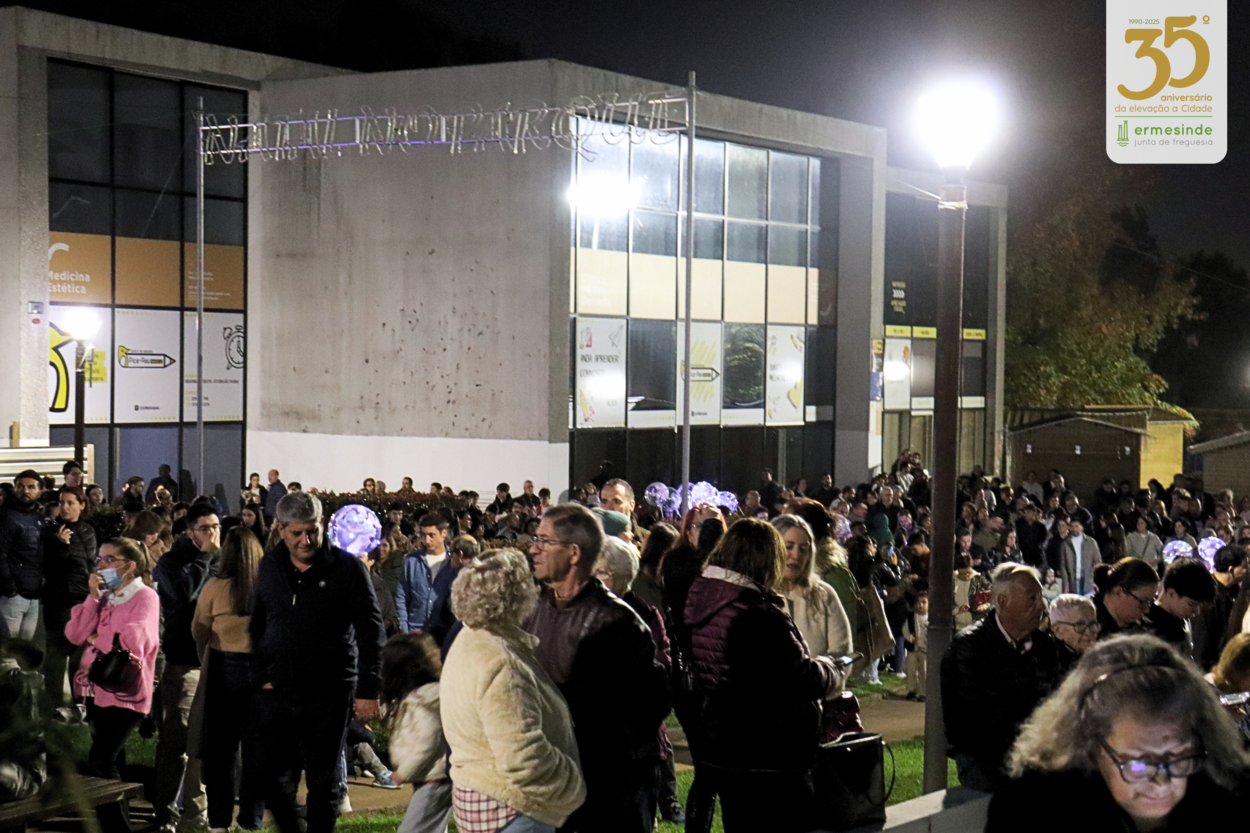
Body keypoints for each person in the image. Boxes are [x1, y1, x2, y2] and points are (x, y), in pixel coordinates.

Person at [988, 635, 1250, 832]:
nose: (1162, 782)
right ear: (1090, 746)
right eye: (1139, 764)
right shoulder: (1030, 810)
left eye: (1178, 758)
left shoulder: (1228, 794)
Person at [684, 518, 841, 832]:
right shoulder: (757, 614)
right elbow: (796, 677)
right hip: (769, 752)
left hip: (726, 746)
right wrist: (830, 669)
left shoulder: (707, 600)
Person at [525, 504, 669, 833]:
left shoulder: (616, 621)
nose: (534, 548)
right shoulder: (535, 609)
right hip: (550, 783)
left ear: (574, 553)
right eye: (535, 539)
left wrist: (603, 744)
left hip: (605, 789)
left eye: (545, 540)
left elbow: (653, 701)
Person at [249, 492, 385, 833]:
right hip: (279, 689)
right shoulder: (270, 566)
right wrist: (260, 673)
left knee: (323, 782)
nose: (305, 540)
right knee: (276, 778)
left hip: (330, 690)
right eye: (296, 533)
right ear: (281, 529)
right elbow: (259, 620)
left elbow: (371, 631)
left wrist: (368, 688)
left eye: (312, 531)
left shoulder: (347, 569)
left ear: (322, 524)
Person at [441, 549, 586, 831]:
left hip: (480, 797)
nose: (537, 591)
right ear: (516, 597)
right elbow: (522, 756)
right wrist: (572, 781)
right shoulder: (501, 662)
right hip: (513, 808)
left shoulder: (469, 640)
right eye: (530, 584)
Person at [941, 563, 1065, 792]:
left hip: (1036, 758)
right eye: (1032, 598)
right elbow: (970, 724)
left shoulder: (1045, 645)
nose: (1042, 606)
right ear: (1003, 601)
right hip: (987, 764)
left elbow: (1057, 703)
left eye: (1041, 597)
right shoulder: (969, 647)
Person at [591, 537, 683, 825]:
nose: (594, 580)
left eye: (602, 572)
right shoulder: (584, 612)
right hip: (593, 744)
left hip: (635, 747)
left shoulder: (644, 615)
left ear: (622, 576)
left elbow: (660, 672)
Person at [152, 502, 221, 833]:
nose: (212, 534)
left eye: (216, 527)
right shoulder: (170, 562)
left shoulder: (222, 560)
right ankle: (165, 812)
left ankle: (196, 813)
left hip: (216, 660)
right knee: (176, 740)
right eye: (205, 528)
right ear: (190, 531)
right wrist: (205, 557)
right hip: (183, 661)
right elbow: (184, 595)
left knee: (202, 742)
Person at [66, 538, 160, 779]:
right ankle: (121, 803)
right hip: (97, 687)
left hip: (125, 689)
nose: (101, 566)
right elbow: (75, 634)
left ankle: (110, 805)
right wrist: (93, 597)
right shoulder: (105, 597)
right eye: (99, 559)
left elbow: (132, 642)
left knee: (101, 761)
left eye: (109, 559)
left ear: (130, 565)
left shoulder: (145, 597)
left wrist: (95, 638)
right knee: (113, 760)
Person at [191, 527, 264, 832]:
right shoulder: (268, 587)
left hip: (223, 669)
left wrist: (206, 657)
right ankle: (251, 819)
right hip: (260, 673)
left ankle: (219, 822)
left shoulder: (214, 587)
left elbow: (199, 630)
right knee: (257, 751)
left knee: (220, 752)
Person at [380, 633, 451, 833]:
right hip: (430, 777)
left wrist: (404, 772)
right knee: (433, 827)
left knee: (413, 828)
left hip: (435, 779)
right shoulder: (418, 699)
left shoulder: (423, 703)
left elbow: (428, 742)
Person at [771, 514, 853, 676]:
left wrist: (819, 679)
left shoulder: (824, 595)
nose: (796, 555)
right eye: (788, 546)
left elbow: (845, 656)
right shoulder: (755, 595)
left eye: (803, 549)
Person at [41, 485, 97, 706]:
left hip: (84, 600)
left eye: (70, 503)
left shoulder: (88, 530)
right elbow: (49, 566)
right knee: (56, 655)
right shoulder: (51, 530)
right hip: (60, 600)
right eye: (61, 502)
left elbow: (92, 562)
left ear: (82, 505)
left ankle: (79, 703)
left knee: (80, 656)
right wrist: (62, 545)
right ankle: (54, 705)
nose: (64, 507)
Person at [0, 470, 45, 640]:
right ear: (14, 489)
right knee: (7, 648)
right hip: (13, 596)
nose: (25, 490)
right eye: (20, 486)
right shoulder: (7, 517)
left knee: (25, 648)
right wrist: (11, 590)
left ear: (39, 491)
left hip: (33, 595)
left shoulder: (38, 517)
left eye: (31, 487)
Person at [1147, 557, 1217, 658]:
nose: (1196, 612)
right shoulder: (1148, 627)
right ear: (1171, 593)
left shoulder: (1182, 620)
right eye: (1191, 604)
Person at [397, 513, 449, 634]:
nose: (427, 540)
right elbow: (402, 596)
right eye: (423, 535)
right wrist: (404, 627)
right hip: (415, 630)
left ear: (444, 533)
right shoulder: (411, 561)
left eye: (431, 535)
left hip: (443, 632)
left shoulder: (453, 563)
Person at [1092, 558, 1159, 641]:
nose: (1147, 610)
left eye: (1150, 602)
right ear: (1118, 592)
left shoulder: (1145, 628)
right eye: (1142, 602)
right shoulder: (1090, 629)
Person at [1048, 594, 1100, 660]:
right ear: (1057, 630)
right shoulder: (1046, 661)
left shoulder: (1102, 655)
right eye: (1080, 626)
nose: (1089, 632)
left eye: (1092, 624)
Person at [1060, 517, 1101, 595]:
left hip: (1088, 580)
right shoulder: (1065, 544)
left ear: (1082, 528)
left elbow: (1097, 562)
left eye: (1076, 526)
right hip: (1073, 581)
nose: (1074, 529)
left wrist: (1096, 580)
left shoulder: (1091, 542)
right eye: (1072, 526)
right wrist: (1065, 583)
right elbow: (1063, 566)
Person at [953, 554, 992, 630]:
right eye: (962, 574)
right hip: (956, 626)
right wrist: (958, 609)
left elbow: (992, 596)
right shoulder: (952, 581)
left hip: (975, 625)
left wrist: (984, 606)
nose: (966, 576)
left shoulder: (979, 580)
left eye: (968, 573)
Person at [904, 591, 928, 701]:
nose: (921, 605)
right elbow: (905, 630)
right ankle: (912, 689)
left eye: (924, 602)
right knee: (911, 669)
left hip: (925, 649)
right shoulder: (911, 617)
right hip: (913, 648)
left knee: (924, 671)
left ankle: (923, 692)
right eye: (918, 602)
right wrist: (910, 638)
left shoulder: (930, 618)